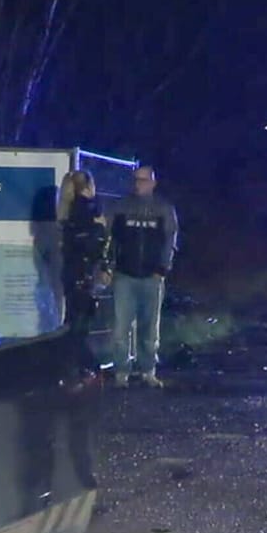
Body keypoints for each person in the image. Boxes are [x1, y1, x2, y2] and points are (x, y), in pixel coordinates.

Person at [108, 165, 179, 387]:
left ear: (153, 183)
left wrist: (162, 269)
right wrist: (108, 265)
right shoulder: (120, 207)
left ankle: (148, 370)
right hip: (124, 275)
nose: (139, 184)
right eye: (136, 180)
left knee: (149, 327)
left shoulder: (164, 208)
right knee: (121, 327)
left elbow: (170, 239)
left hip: (152, 276)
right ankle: (121, 372)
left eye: (144, 180)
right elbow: (109, 238)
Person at [60, 170, 111, 338]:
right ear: (89, 185)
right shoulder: (89, 209)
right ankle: (79, 356)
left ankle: (71, 355)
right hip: (85, 270)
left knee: (73, 315)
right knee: (83, 319)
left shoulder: (66, 208)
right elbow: (94, 243)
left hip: (71, 270)